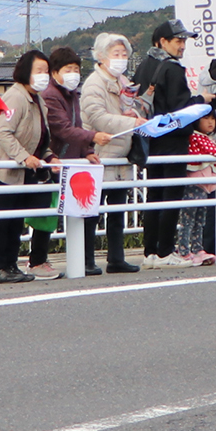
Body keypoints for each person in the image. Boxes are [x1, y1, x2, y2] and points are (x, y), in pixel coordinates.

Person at [0, 50, 62, 284]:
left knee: (15, 221)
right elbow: (3, 132)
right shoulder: (15, 96)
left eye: (46, 72)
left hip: (20, 170)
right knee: (1, 221)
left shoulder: (39, 100)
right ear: (26, 72)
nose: (44, 76)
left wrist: (50, 156)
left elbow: (39, 138)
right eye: (39, 71)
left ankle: (11, 265)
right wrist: (24, 157)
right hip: (2, 169)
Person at [38, 45, 111, 275]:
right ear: (55, 72)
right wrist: (93, 137)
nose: (74, 74)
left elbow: (77, 126)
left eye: (77, 69)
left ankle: (84, 260)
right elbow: (63, 129)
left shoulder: (71, 93)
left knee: (84, 209)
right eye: (68, 69)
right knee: (48, 214)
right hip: (54, 161)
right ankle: (39, 260)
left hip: (73, 160)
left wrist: (88, 149)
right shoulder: (50, 95)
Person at [79, 32, 146, 273]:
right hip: (99, 153)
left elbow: (131, 109)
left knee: (118, 211)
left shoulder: (125, 83)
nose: (121, 58)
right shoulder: (93, 84)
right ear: (100, 56)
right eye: (115, 54)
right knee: (91, 212)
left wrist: (134, 116)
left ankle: (116, 258)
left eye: (124, 54)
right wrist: (131, 123)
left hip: (121, 154)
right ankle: (85, 260)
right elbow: (97, 118)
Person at [137, 19, 198, 265]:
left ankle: (150, 251)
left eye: (184, 40)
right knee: (171, 197)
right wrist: (200, 102)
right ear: (162, 42)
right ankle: (165, 252)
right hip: (172, 142)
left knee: (154, 196)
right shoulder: (173, 69)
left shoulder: (144, 66)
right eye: (178, 40)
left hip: (150, 141)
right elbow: (180, 110)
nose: (182, 45)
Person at [177, 111, 216, 264]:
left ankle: (197, 249)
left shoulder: (204, 138)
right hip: (195, 182)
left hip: (202, 183)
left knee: (199, 218)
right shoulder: (196, 136)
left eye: (213, 119)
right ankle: (184, 250)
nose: (210, 122)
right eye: (206, 119)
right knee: (189, 218)